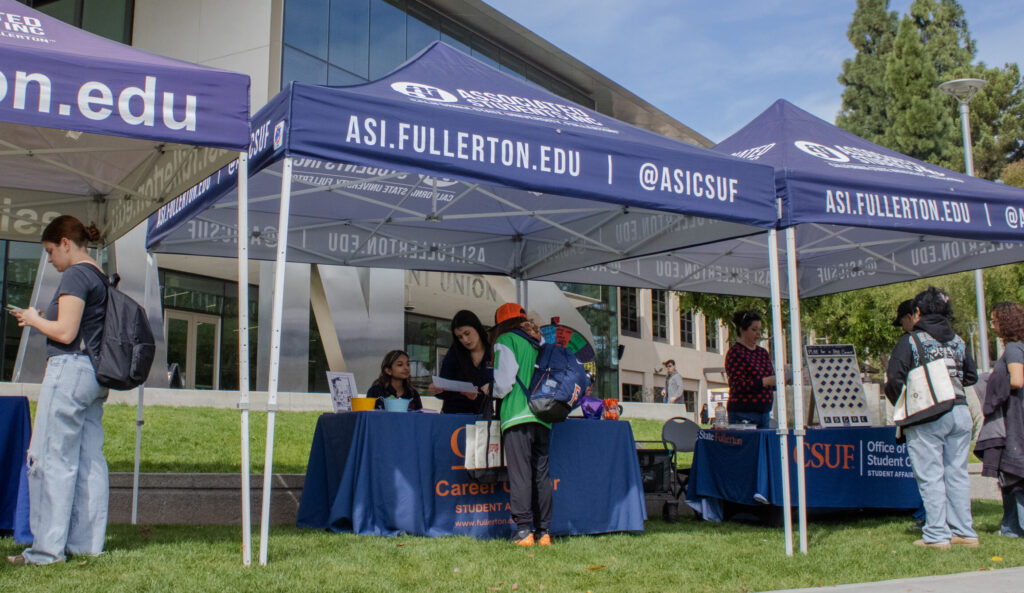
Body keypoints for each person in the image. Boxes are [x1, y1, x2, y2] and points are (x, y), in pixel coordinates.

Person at [7, 216, 109, 566]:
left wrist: (34, 319)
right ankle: (87, 545)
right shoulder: (100, 275)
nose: (50, 259)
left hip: (69, 369)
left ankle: (45, 551)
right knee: (89, 460)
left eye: (51, 251)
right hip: (95, 376)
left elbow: (65, 332)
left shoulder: (76, 274)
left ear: (66, 242)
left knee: (51, 460)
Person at [884, 287, 978, 549]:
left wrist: (903, 404)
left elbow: (894, 379)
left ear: (918, 312)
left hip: (928, 414)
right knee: (957, 473)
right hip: (960, 412)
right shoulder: (958, 340)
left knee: (931, 475)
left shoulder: (912, 341)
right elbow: (971, 376)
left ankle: (937, 534)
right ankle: (964, 532)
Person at [490, 302, 552, 547]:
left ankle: (523, 531)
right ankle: (544, 532)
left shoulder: (505, 339)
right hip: (544, 415)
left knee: (520, 474)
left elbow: (504, 383)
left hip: (516, 414)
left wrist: (489, 389)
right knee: (541, 474)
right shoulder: (541, 342)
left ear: (501, 323)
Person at [983, 302, 1024, 538]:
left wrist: (995, 388)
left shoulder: (1013, 349)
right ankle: (1010, 527)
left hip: (1014, 416)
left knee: (1015, 470)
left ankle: (1016, 526)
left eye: (994, 320)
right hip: (1015, 414)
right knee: (1009, 474)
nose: (993, 326)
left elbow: (1017, 380)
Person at [428, 310, 493, 415]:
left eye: (467, 333)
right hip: (454, 415)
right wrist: (437, 390)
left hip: (483, 416)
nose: (465, 340)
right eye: (460, 337)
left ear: (477, 327)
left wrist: (478, 395)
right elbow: (445, 386)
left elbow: (502, 387)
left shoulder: (493, 351)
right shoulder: (454, 353)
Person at [724, 310, 776, 429]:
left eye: (759, 330)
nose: (758, 334)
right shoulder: (735, 353)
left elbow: (771, 379)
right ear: (742, 329)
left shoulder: (763, 353)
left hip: (764, 412)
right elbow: (738, 385)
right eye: (754, 330)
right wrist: (764, 381)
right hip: (743, 412)